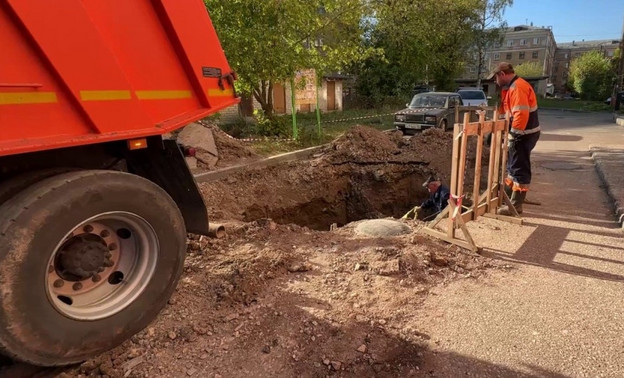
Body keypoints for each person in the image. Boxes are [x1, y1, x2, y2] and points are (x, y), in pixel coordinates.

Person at [487, 62, 540, 215]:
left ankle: (516, 205)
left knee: (518, 168)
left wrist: (513, 136)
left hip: (523, 134)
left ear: (502, 74)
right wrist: (496, 130)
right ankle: (511, 198)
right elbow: (507, 114)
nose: (495, 81)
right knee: (512, 167)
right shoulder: (510, 88)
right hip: (522, 133)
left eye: (496, 78)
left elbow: (521, 114)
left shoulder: (517, 87)